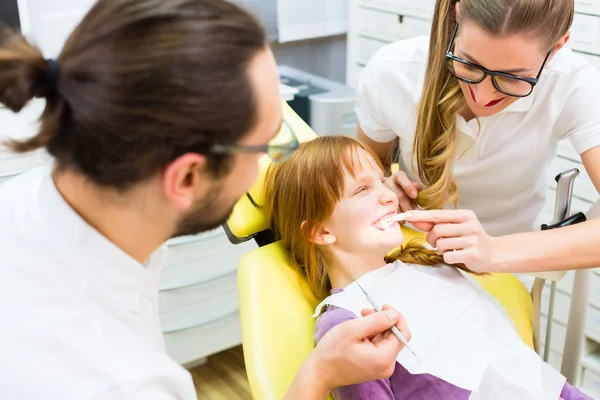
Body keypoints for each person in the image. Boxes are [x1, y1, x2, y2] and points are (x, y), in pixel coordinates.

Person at [0, 1, 409, 399]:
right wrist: (316, 377)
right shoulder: (118, 381)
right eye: (268, 144)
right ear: (187, 177)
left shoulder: (37, 196)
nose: (272, 164)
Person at [263, 135, 591, 399]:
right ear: (321, 231)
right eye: (363, 189)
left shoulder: (427, 264)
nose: (388, 196)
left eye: (381, 181)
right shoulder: (347, 323)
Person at [355, 0, 600, 241]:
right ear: (458, 15)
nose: (482, 97)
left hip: (510, 263)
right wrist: (381, 186)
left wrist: (493, 253)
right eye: (469, 64)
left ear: (557, 47)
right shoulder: (392, 70)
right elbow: (367, 171)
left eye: (512, 78)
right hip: (407, 246)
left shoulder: (572, 83)